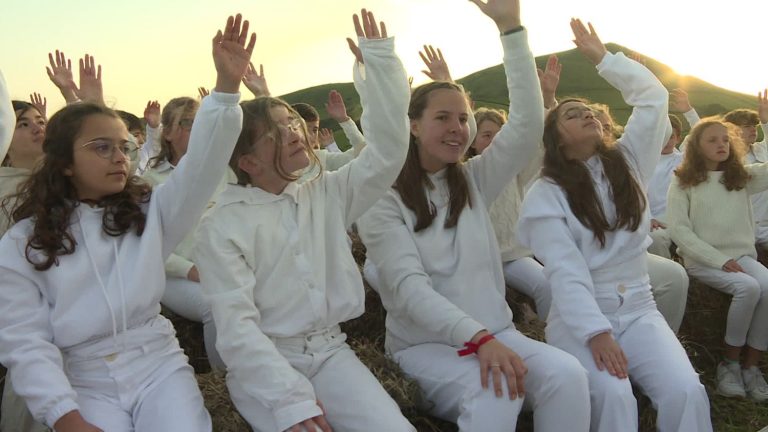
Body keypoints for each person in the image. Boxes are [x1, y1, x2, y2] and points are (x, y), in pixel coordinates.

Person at [0, 14, 253, 431]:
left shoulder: (150, 210)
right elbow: (23, 340)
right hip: (83, 379)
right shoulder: (23, 241)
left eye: (123, 146)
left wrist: (226, 90)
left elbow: (202, 166)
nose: (120, 157)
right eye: (102, 147)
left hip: (159, 366)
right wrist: (64, 415)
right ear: (63, 162)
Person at [359, 2, 591, 431]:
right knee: (498, 389)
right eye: (442, 117)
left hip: (497, 333)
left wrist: (511, 29)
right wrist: (477, 338)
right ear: (412, 126)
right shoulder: (383, 199)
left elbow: (524, 125)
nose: (457, 127)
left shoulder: (474, 179)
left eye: (463, 118)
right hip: (426, 347)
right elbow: (409, 289)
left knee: (568, 375)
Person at [196, 9, 415, 432]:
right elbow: (238, 329)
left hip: (333, 352)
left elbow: (388, 150)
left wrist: (382, 63)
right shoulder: (222, 226)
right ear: (247, 162)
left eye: (292, 122)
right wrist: (288, 401)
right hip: (266, 364)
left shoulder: (327, 191)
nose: (295, 131)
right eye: (276, 131)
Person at [517, 18, 712, 432]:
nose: (587, 113)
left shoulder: (627, 161)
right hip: (579, 317)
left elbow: (654, 100)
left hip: (640, 308)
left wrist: (604, 59)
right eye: (573, 113)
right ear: (556, 138)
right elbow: (566, 274)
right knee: (614, 396)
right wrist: (596, 332)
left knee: (686, 392)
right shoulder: (544, 194)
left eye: (589, 109)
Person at [666, 116, 768, 402]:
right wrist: (718, 259)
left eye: (725, 139)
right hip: (703, 260)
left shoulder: (740, 177)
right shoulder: (683, 181)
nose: (721, 144)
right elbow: (680, 230)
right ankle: (729, 364)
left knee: (767, 285)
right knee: (748, 288)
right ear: (696, 146)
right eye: (712, 140)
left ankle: (752, 367)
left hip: (741, 257)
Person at [0, 72, 51, 432]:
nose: (37, 128)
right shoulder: (4, 191)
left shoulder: (66, 181)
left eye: (41, 121)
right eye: (23, 124)